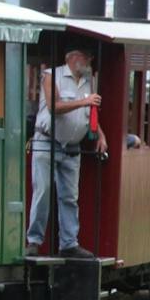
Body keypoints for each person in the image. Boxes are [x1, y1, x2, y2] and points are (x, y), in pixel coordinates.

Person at [26, 44, 106, 259]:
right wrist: (84, 101)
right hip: (46, 142)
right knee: (42, 191)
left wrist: (100, 135)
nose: (89, 61)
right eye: (86, 57)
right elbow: (54, 107)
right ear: (73, 57)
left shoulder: (87, 82)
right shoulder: (51, 76)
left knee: (70, 197)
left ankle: (69, 243)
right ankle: (34, 241)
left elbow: (88, 114)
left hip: (72, 148)